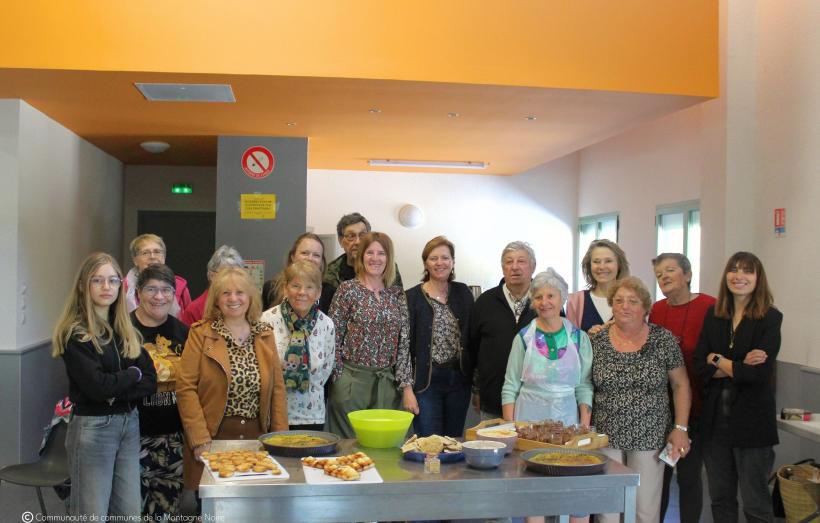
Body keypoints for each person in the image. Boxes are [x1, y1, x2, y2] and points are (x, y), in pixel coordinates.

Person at [52, 252, 157, 518]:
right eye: (97, 280)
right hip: (93, 429)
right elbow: (98, 387)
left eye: (112, 280)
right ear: (83, 286)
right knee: (92, 514)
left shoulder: (125, 329)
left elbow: (150, 380)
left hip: (128, 423)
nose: (106, 287)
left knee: (129, 513)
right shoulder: (75, 333)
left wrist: (119, 383)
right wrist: (131, 375)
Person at [176, 267, 288, 495]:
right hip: (212, 440)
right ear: (216, 299)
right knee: (213, 511)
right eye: (226, 293)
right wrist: (199, 440)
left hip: (258, 440)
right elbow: (185, 388)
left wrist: (280, 440)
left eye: (240, 292)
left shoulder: (264, 334)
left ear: (250, 297)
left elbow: (277, 390)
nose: (233, 298)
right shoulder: (201, 334)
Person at [592, 276, 691, 523]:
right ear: (611, 306)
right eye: (619, 301)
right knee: (608, 509)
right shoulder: (596, 341)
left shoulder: (663, 340)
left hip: (650, 434)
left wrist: (680, 428)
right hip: (606, 434)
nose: (625, 306)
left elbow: (681, 385)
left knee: (645, 508)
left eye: (632, 301)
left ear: (645, 307)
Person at [694, 252, 782, 523]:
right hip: (715, 424)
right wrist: (739, 365)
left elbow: (757, 375)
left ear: (758, 278)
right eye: (734, 270)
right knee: (720, 499)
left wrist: (719, 360)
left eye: (747, 271)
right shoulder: (714, 314)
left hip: (753, 424)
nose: (739, 276)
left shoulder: (770, 317)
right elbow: (700, 366)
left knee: (755, 502)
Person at [327, 232, 416, 438]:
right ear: (361, 256)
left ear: (388, 258)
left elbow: (404, 345)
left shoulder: (396, 295)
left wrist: (406, 387)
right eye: (370, 252)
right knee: (350, 448)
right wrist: (339, 380)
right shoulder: (347, 290)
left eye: (381, 253)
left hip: (388, 383)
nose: (375, 258)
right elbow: (332, 338)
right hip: (352, 382)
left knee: (388, 446)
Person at [650, 253, 716, 523]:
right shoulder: (656, 309)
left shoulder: (709, 306)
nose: (664, 276)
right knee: (660, 477)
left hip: (698, 407)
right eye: (659, 274)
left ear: (687, 275)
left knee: (688, 477)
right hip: (662, 409)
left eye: (670, 270)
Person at [130, 264, 189, 519]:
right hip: (131, 436)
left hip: (173, 438)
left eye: (166, 290)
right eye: (151, 289)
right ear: (138, 294)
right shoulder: (123, 330)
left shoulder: (183, 333)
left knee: (168, 509)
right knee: (131, 509)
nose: (159, 296)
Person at [406, 236, 474, 437]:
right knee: (429, 444)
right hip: (426, 382)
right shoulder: (411, 297)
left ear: (452, 262)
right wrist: (407, 389)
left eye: (445, 257)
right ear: (425, 263)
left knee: (453, 443)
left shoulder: (463, 292)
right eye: (433, 258)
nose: (439, 263)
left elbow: (472, 337)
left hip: (459, 380)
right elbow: (404, 347)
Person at [261, 261, 335, 430]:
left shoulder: (327, 325)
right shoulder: (266, 321)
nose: (302, 292)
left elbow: (325, 371)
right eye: (296, 286)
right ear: (286, 288)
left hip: (313, 415)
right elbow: (262, 369)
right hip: (274, 413)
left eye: (309, 287)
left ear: (318, 292)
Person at [467, 241, 537, 420]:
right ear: (502, 268)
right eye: (508, 262)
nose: (514, 267)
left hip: (537, 402)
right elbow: (472, 349)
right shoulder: (485, 302)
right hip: (493, 399)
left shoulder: (546, 302)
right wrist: (477, 389)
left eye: (521, 261)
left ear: (533, 266)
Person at [323, 213, 403, 310]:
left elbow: (399, 305)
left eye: (362, 235)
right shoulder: (330, 273)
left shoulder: (387, 267)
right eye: (351, 236)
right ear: (340, 241)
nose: (357, 242)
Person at [567, 239, 630, 334]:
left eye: (608, 261)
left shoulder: (633, 300)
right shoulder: (575, 301)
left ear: (619, 265)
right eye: (596, 261)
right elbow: (570, 343)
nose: (602, 266)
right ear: (589, 266)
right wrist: (587, 338)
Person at [262, 232, 334, 312]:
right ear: (293, 257)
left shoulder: (330, 292)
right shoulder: (271, 288)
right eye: (304, 253)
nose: (310, 258)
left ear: (321, 262)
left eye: (316, 255)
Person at [124, 234, 191, 317]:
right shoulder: (123, 288)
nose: (152, 257)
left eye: (157, 252)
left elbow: (187, 320)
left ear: (164, 257)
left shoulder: (180, 286)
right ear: (135, 260)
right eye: (145, 253)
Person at [180, 245, 244, 326]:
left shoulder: (245, 304)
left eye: (237, 274)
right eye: (225, 274)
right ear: (211, 276)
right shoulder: (194, 310)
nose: (231, 279)